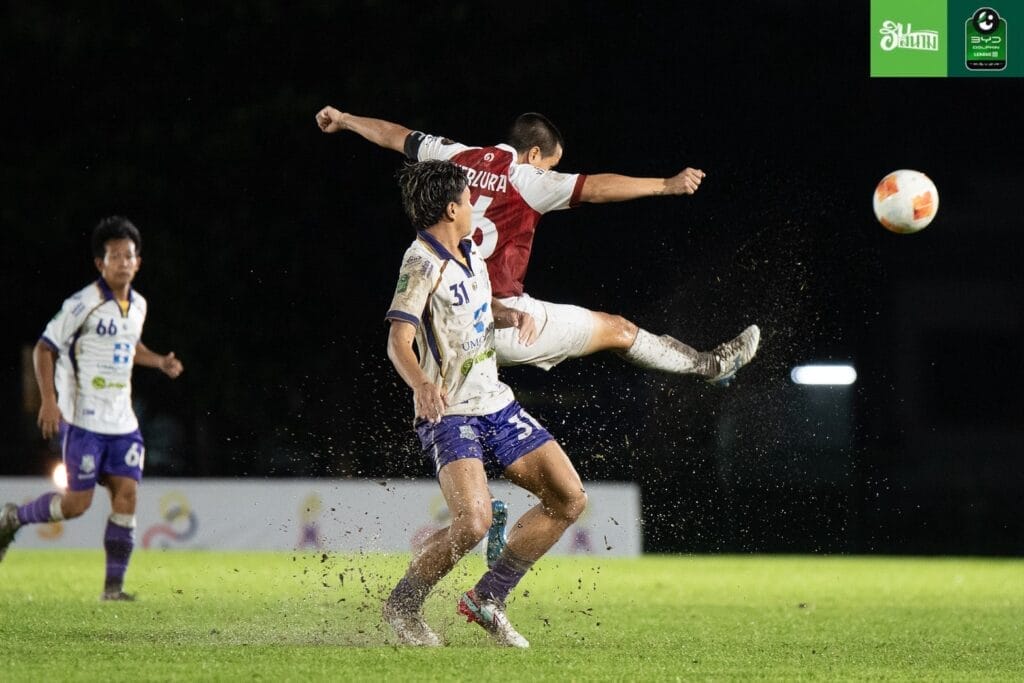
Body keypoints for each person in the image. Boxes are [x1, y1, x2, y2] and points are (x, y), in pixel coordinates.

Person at [315, 106, 760, 384]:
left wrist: (346, 119)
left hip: (444, 320)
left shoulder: (454, 155)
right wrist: (665, 184)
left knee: (472, 413)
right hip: (501, 321)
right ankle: (709, 365)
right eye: (551, 164)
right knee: (617, 330)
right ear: (533, 155)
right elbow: (596, 188)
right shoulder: (526, 177)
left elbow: (397, 135)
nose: (550, 173)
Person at [382, 160, 587, 648]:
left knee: (569, 498)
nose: (474, 204)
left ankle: (487, 597)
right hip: (450, 412)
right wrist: (421, 384)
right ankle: (403, 604)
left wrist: (506, 313)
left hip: (496, 403)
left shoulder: (471, 250)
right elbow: (397, 340)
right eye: (469, 199)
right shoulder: (421, 261)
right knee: (473, 522)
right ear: (452, 209)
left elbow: (474, 306)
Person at [0, 216, 184, 600]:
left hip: (123, 421)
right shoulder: (82, 303)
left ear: (138, 262)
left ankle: (113, 589)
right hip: (84, 420)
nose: (123, 262)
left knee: (127, 496)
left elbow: (129, 346)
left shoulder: (139, 306)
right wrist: (49, 401)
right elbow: (44, 348)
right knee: (75, 505)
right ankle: (13, 517)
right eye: (115, 256)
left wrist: (159, 362)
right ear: (100, 263)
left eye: (129, 256)